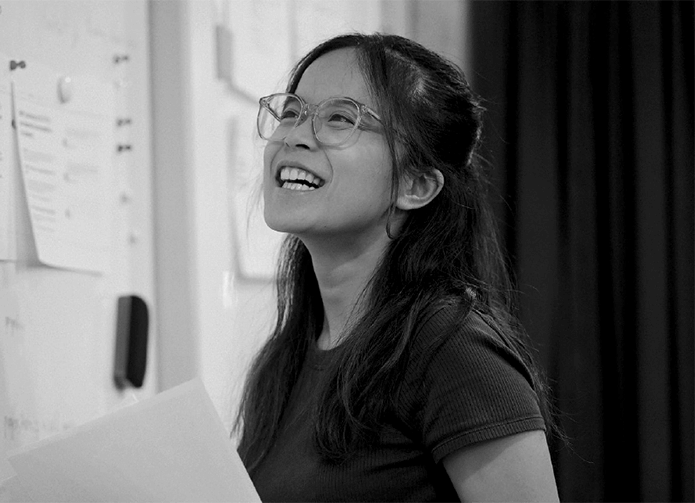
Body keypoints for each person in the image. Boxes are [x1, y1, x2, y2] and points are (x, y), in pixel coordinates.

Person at [235, 32, 561, 502]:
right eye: (291, 111)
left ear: (416, 185)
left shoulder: (453, 351)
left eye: (340, 118)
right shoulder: (284, 360)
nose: (295, 137)